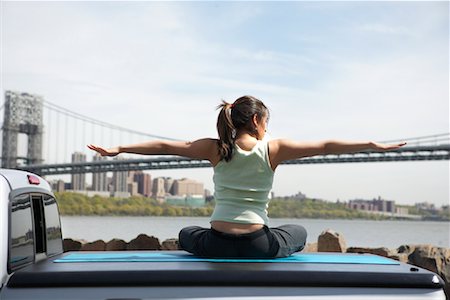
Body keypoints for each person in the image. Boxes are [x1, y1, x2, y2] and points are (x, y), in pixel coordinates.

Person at [88, 95, 406, 258]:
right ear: (256, 120)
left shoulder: (215, 149)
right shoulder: (273, 149)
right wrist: (371, 144)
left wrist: (120, 148)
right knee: (297, 230)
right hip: (258, 244)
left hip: (216, 243)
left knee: (187, 232)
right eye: (266, 122)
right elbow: (325, 145)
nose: (268, 129)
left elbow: (166, 146)